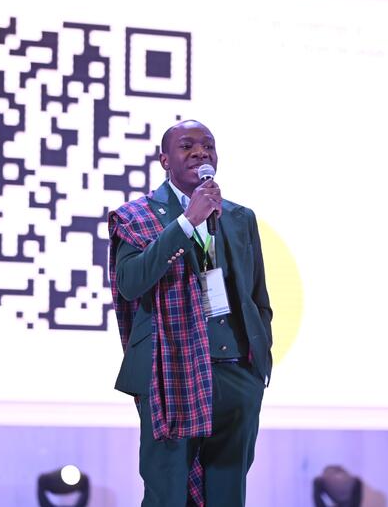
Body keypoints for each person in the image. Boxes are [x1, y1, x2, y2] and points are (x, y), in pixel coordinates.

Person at [108, 119, 273, 506]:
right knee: (167, 491)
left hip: (235, 371)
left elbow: (257, 296)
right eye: (187, 146)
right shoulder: (135, 217)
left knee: (227, 492)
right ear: (164, 159)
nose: (201, 152)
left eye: (208, 146)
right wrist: (187, 222)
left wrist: (258, 361)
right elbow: (130, 283)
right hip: (169, 371)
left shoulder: (239, 217)